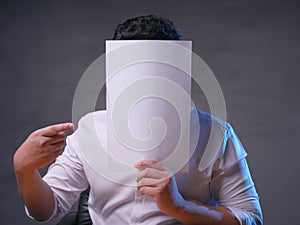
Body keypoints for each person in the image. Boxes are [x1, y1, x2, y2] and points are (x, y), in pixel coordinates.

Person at [14, 15, 263, 225]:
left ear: (180, 70)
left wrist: (180, 207)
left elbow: (250, 217)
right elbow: (46, 211)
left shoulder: (216, 134)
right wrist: (24, 170)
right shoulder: (90, 131)